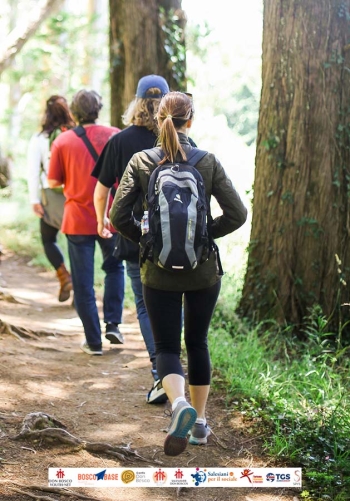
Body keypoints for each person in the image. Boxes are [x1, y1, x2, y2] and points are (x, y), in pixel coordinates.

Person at [109, 91, 248, 456]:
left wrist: (148, 241)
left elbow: (117, 217)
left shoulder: (141, 161)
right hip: (203, 273)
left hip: (157, 272)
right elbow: (237, 214)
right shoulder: (208, 161)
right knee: (198, 342)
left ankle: (179, 405)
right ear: (192, 120)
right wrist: (203, 237)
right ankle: (200, 424)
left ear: (158, 120)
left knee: (168, 346)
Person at [92, 75, 170, 404]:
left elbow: (101, 191)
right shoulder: (178, 141)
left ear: (136, 103)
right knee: (173, 303)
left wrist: (101, 222)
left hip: (134, 236)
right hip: (176, 237)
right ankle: (175, 370)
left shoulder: (120, 141)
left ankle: (161, 374)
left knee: (144, 305)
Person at [47, 89, 124, 355]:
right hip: (111, 216)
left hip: (78, 219)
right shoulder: (115, 135)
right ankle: (113, 324)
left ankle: (93, 341)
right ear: (98, 109)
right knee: (115, 269)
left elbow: (53, 181)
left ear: (75, 112)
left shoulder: (63, 142)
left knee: (83, 282)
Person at [27, 95, 75, 303]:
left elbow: (32, 172)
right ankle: (81, 287)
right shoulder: (76, 135)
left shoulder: (39, 139)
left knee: (48, 239)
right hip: (76, 196)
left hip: (51, 197)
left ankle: (64, 275)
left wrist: (34, 200)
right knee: (78, 243)